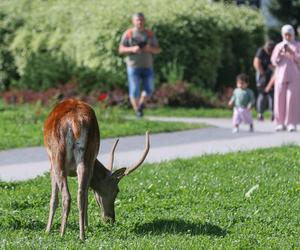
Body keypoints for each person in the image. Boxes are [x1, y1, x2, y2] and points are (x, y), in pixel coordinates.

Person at [118, 12, 161, 117]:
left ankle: (140, 106)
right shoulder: (128, 34)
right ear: (133, 21)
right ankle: (138, 113)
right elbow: (120, 49)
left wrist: (148, 49)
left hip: (148, 66)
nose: (140, 22)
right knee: (134, 91)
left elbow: (158, 49)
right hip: (133, 67)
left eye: (141, 20)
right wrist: (132, 49)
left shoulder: (150, 34)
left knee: (149, 90)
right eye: (137, 20)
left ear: (144, 21)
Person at [270, 24, 300, 132]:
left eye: (289, 35)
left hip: (294, 76)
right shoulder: (278, 46)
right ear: (283, 35)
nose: (287, 37)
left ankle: (291, 123)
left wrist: (292, 53)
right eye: (285, 35)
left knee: (291, 99)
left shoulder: (297, 45)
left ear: (292, 35)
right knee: (279, 99)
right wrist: (279, 52)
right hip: (280, 76)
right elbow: (273, 61)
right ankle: (279, 122)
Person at [253, 40, 275, 121]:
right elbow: (256, 63)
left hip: (273, 74)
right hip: (262, 74)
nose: (269, 52)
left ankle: (273, 113)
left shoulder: (275, 51)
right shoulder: (261, 51)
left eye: (271, 50)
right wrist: (262, 74)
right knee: (262, 94)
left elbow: (276, 67)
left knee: (272, 94)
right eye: (268, 50)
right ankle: (260, 113)